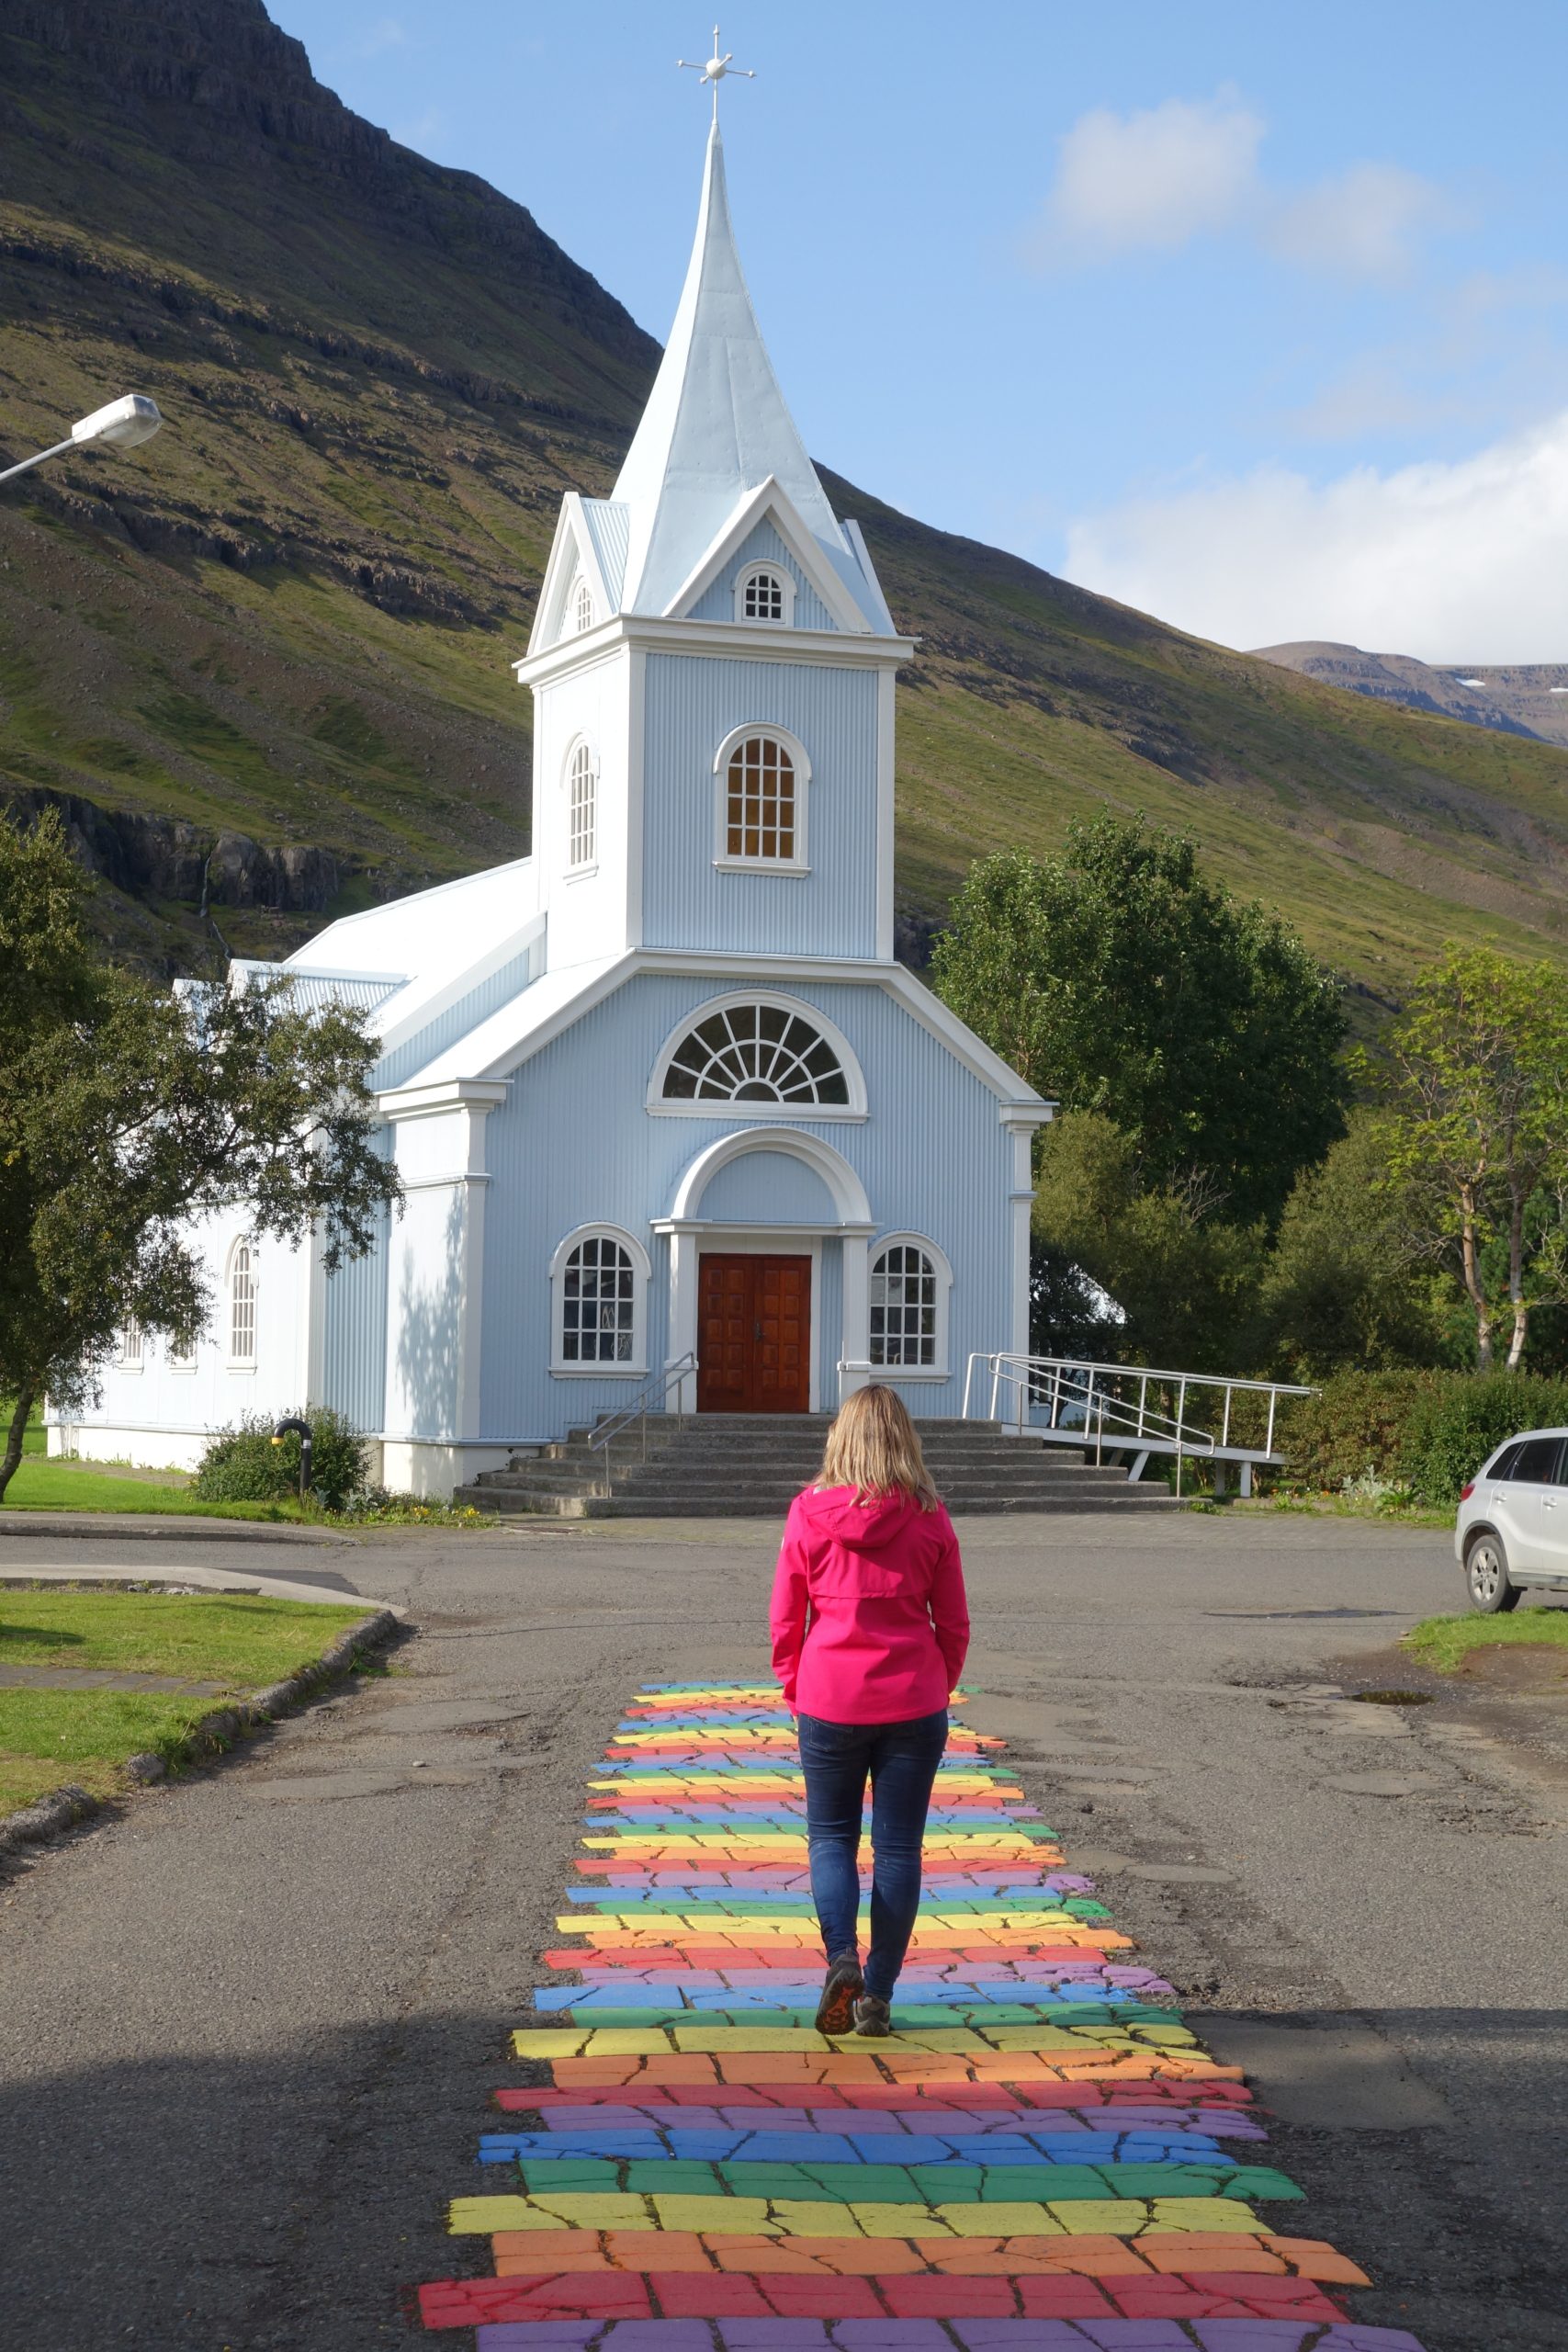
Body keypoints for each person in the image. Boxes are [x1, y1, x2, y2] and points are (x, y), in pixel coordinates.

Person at [769, 1384, 970, 2038]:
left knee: (830, 1838)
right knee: (898, 1848)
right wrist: (937, 1684)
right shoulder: (929, 1515)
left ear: (840, 1439)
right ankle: (877, 1995)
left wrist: (795, 1685)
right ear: (903, 1441)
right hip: (913, 1698)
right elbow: (955, 1624)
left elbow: (785, 1617)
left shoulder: (807, 1512)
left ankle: (840, 1959)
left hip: (829, 1696)